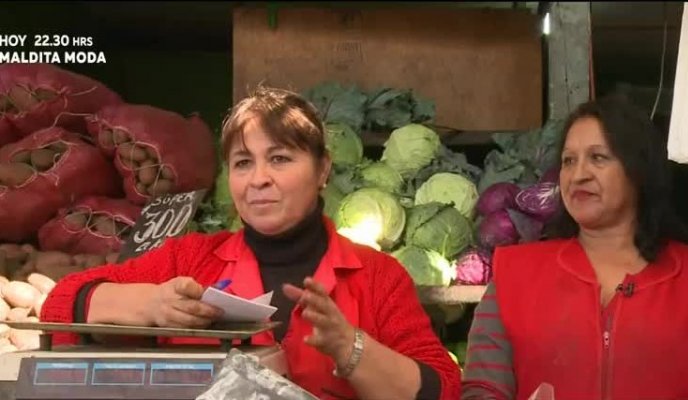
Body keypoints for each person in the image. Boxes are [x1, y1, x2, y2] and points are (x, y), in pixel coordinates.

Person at [40, 87, 461, 400]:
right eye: (243, 163)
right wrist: (151, 305)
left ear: (323, 170)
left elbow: (442, 389)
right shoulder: (188, 259)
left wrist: (349, 348)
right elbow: (60, 305)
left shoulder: (378, 278)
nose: (258, 178)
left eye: (280, 158)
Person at [460, 95, 688, 400]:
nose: (578, 174)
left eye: (598, 157)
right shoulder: (514, 276)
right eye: (568, 161)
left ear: (638, 170)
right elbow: (483, 391)